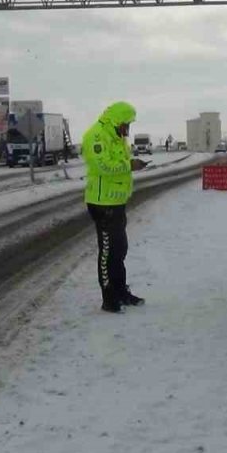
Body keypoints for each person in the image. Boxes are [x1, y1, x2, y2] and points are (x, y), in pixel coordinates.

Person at [82, 101, 148, 313]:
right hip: (102, 204)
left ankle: (121, 291)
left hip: (117, 202)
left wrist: (132, 164)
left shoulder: (117, 137)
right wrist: (130, 165)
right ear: (117, 120)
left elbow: (119, 163)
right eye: (126, 123)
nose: (128, 128)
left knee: (120, 249)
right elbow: (102, 166)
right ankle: (108, 298)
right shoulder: (96, 136)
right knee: (108, 251)